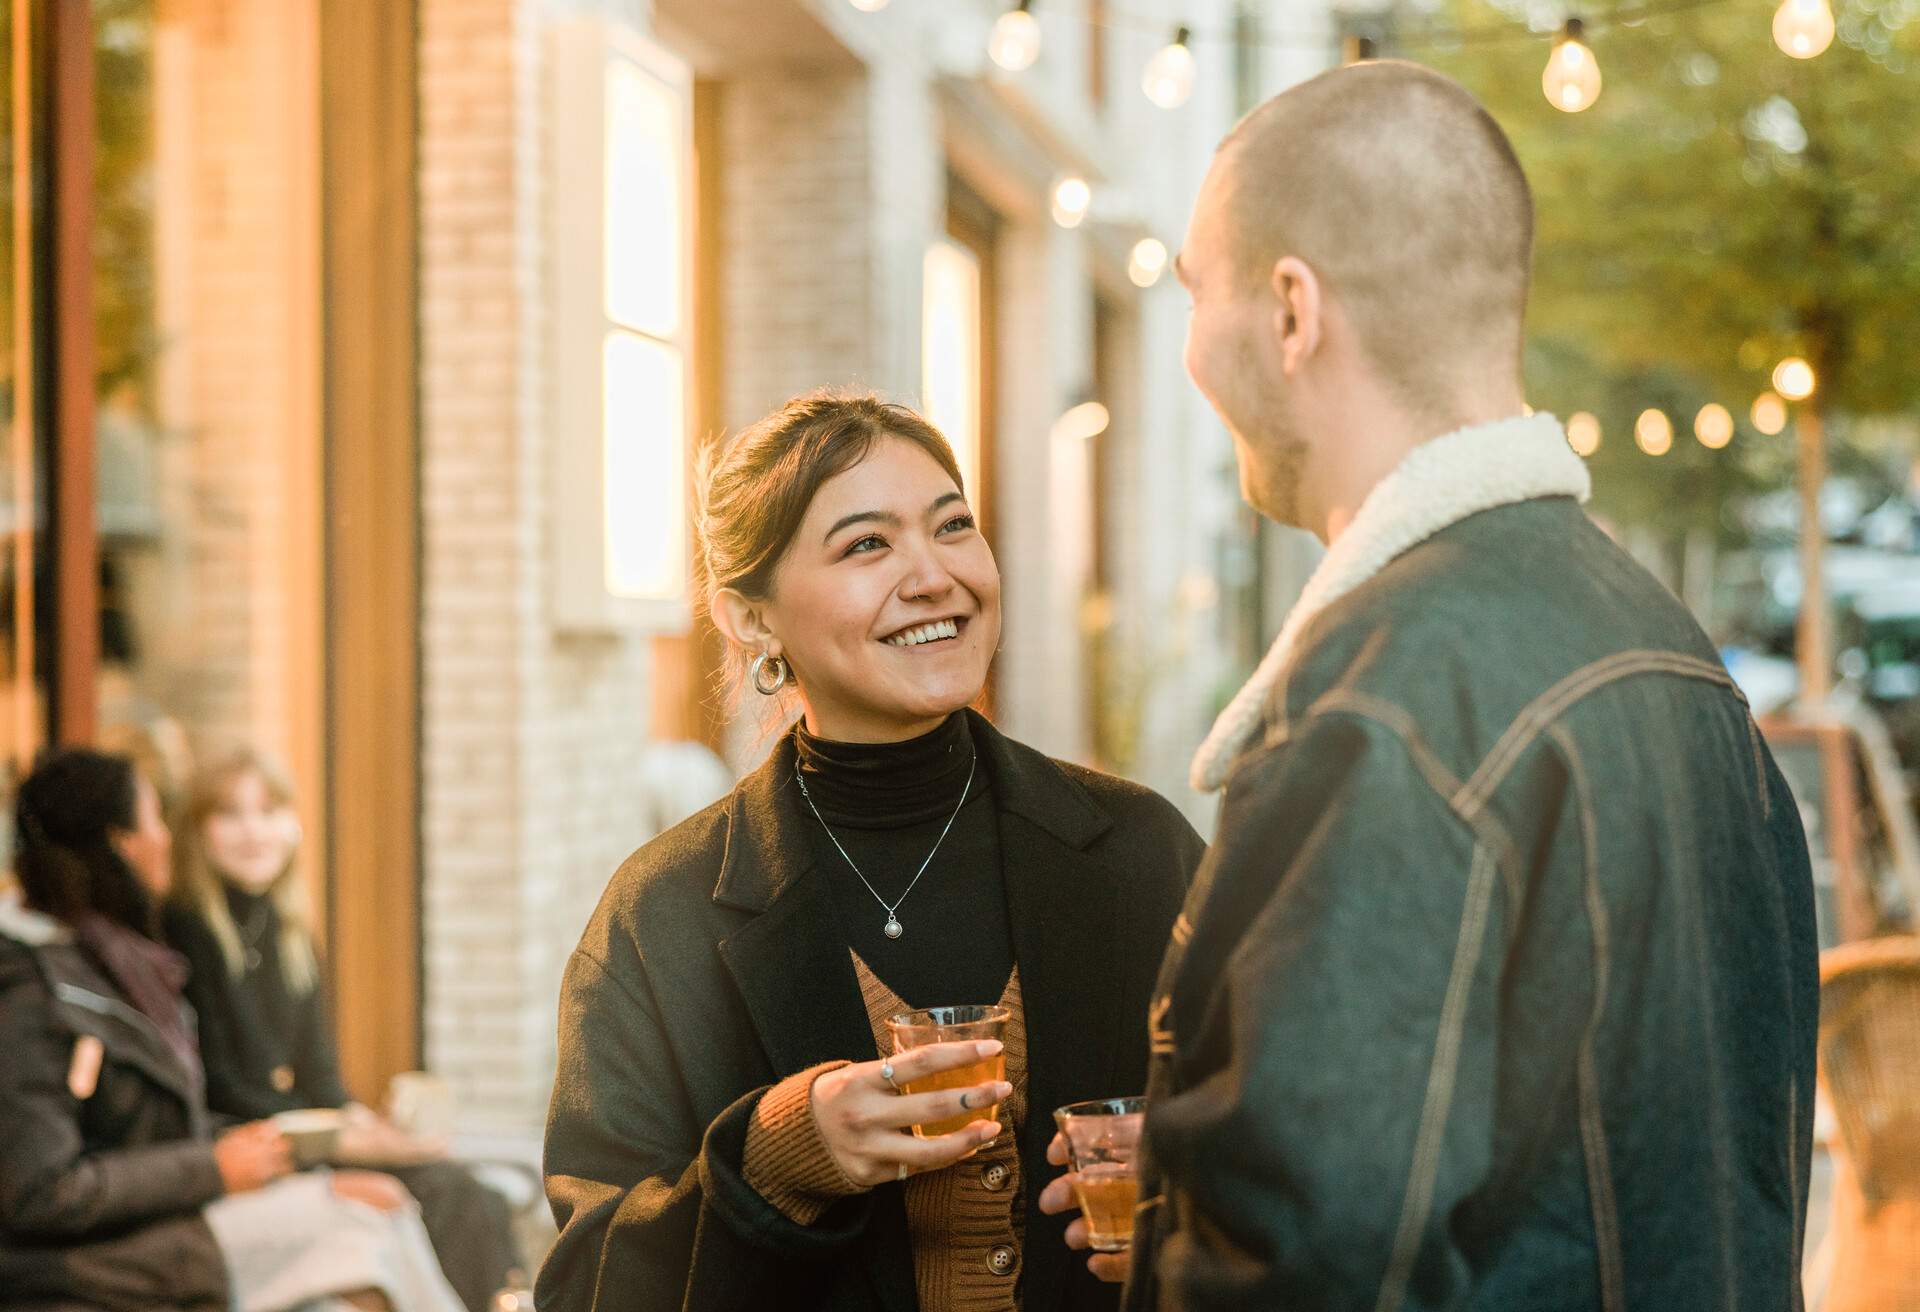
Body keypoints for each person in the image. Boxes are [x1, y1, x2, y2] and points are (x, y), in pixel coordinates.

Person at [1046, 61, 1819, 1310]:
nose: (1190, 345)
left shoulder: (1379, 701)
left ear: (1292, 312)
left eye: (1197, 292)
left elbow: (1309, 1265)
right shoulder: (1678, 656)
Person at [539, 391, 1206, 1312]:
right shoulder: (663, 916)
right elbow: (583, 1289)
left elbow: (1315, 1157)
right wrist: (774, 1157)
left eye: (953, 526)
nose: (935, 576)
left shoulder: (1142, 852)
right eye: (867, 545)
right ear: (750, 619)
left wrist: (1199, 1200)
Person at [0, 747, 465, 1312]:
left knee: (385, 1213)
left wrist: (282, 1157)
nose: (166, 838)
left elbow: (166, 1123)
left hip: (165, 1214)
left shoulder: (117, 962)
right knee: (369, 1227)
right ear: (123, 843)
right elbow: (41, 1191)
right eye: (155, 820)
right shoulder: (39, 988)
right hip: (99, 1257)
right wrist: (220, 1167)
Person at [162, 748, 524, 1312]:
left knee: (470, 1191)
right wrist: (343, 1139)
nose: (253, 831)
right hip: (249, 1148)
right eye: (230, 814)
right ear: (198, 832)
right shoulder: (183, 930)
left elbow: (321, 1074)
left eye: (268, 810)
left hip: (307, 1135)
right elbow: (222, 1085)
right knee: (444, 1196)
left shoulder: (288, 931)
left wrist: (365, 1126)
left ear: (293, 824)